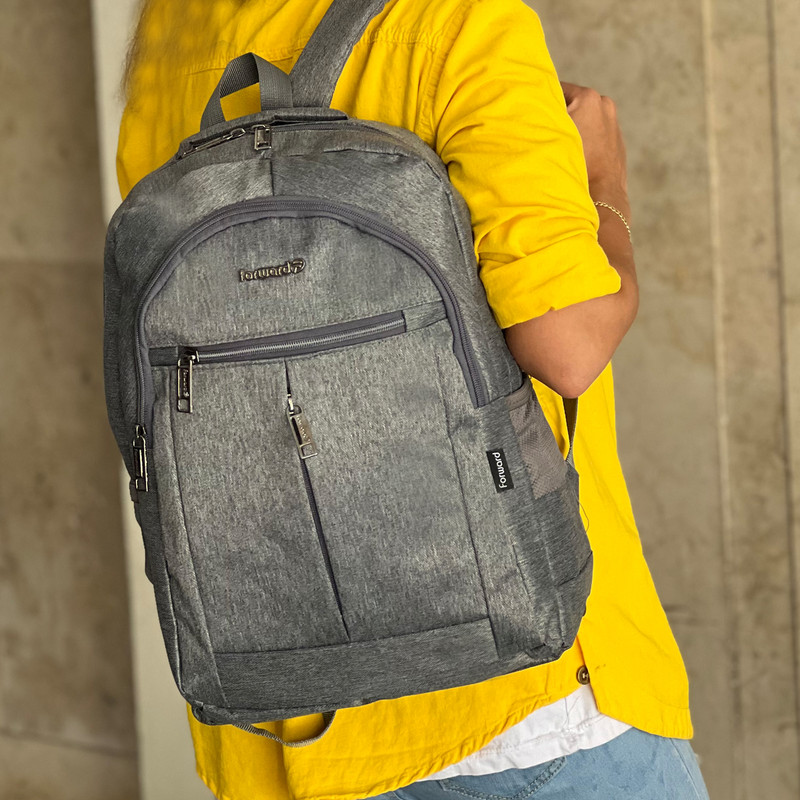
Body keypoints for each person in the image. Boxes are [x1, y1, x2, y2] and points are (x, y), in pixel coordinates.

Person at [117, 0, 711, 798]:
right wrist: (605, 177)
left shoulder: (173, 34)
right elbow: (569, 345)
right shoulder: (460, 22)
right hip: (519, 709)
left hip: (284, 718)